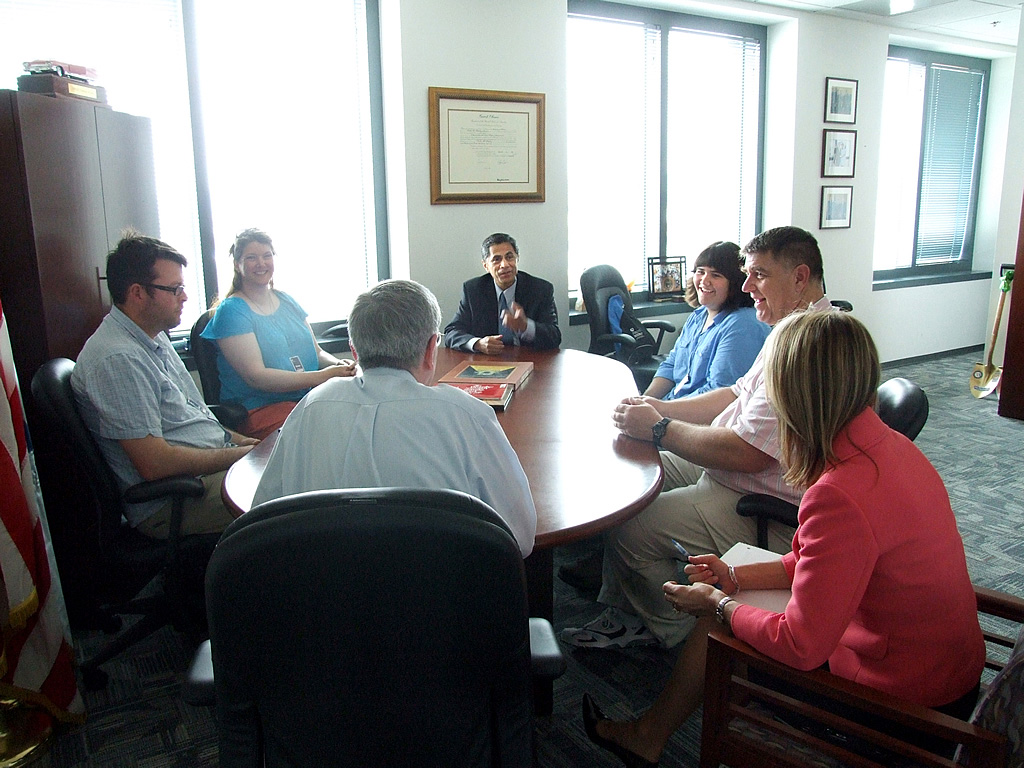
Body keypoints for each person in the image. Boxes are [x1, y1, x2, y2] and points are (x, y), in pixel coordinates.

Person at [581, 310, 985, 767]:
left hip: (907, 702)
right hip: (948, 670)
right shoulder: (892, 449)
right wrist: (733, 575)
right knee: (735, 601)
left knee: (719, 627)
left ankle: (649, 736)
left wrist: (718, 604)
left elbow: (800, 643)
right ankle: (651, 733)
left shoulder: (839, 494)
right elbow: (815, 561)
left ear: (795, 397)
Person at [562, 226, 832, 650]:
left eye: (758, 275)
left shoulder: (811, 344)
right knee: (627, 464)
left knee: (630, 526)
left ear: (799, 277)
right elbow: (734, 394)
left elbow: (749, 454)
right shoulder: (787, 326)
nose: (747, 287)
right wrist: (658, 412)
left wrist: (659, 428)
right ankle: (626, 610)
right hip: (727, 464)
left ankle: (694, 637)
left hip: (760, 494)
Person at [252, 279, 537, 557]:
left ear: (354, 350)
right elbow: (519, 536)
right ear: (430, 349)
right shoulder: (467, 415)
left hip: (319, 596)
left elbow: (261, 522)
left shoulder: (308, 409)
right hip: (443, 598)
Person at [72, 232, 258, 539]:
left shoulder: (151, 336)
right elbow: (154, 464)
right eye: (175, 289)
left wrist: (247, 445)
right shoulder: (119, 359)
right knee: (293, 496)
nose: (184, 297)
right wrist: (241, 455)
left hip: (206, 474)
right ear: (137, 293)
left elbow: (195, 419)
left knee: (298, 473)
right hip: (175, 503)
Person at [200, 228, 356, 439]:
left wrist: (338, 366)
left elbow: (317, 353)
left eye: (267, 256)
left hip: (308, 399)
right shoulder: (232, 311)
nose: (261, 263)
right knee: (331, 436)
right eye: (252, 258)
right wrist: (323, 377)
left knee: (359, 420)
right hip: (262, 409)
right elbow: (257, 377)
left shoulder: (286, 300)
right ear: (238, 264)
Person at [644, 241, 769, 400]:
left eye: (716, 275)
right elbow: (671, 365)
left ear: (735, 283)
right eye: (700, 271)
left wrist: (658, 411)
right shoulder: (699, 315)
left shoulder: (743, 324)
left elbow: (718, 393)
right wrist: (645, 400)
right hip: (671, 406)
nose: (704, 280)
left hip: (699, 418)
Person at [444, 233, 561, 354]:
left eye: (509, 257)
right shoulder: (473, 290)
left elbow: (555, 337)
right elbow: (452, 332)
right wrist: (478, 343)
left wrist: (526, 326)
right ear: (486, 266)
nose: (504, 265)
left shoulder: (540, 289)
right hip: (487, 363)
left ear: (517, 258)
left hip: (530, 360)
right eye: (496, 259)